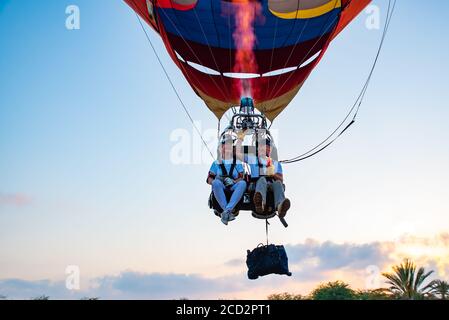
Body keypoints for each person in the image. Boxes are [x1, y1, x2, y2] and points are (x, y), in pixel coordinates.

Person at [207, 137, 247, 225]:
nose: (228, 147)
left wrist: (234, 181)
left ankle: (226, 211)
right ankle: (228, 211)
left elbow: (241, 177)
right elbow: (209, 179)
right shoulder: (216, 163)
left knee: (242, 183)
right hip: (221, 187)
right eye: (226, 145)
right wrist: (218, 180)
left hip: (232, 186)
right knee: (215, 183)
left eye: (230, 146)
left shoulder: (237, 163)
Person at [247, 138, 290, 218]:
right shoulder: (253, 160)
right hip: (259, 184)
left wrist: (273, 174)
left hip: (271, 184)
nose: (266, 149)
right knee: (262, 179)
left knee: (277, 183)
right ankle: (260, 203)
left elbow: (280, 179)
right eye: (264, 147)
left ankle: (280, 206)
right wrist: (240, 138)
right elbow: (238, 155)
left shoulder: (275, 163)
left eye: (268, 148)